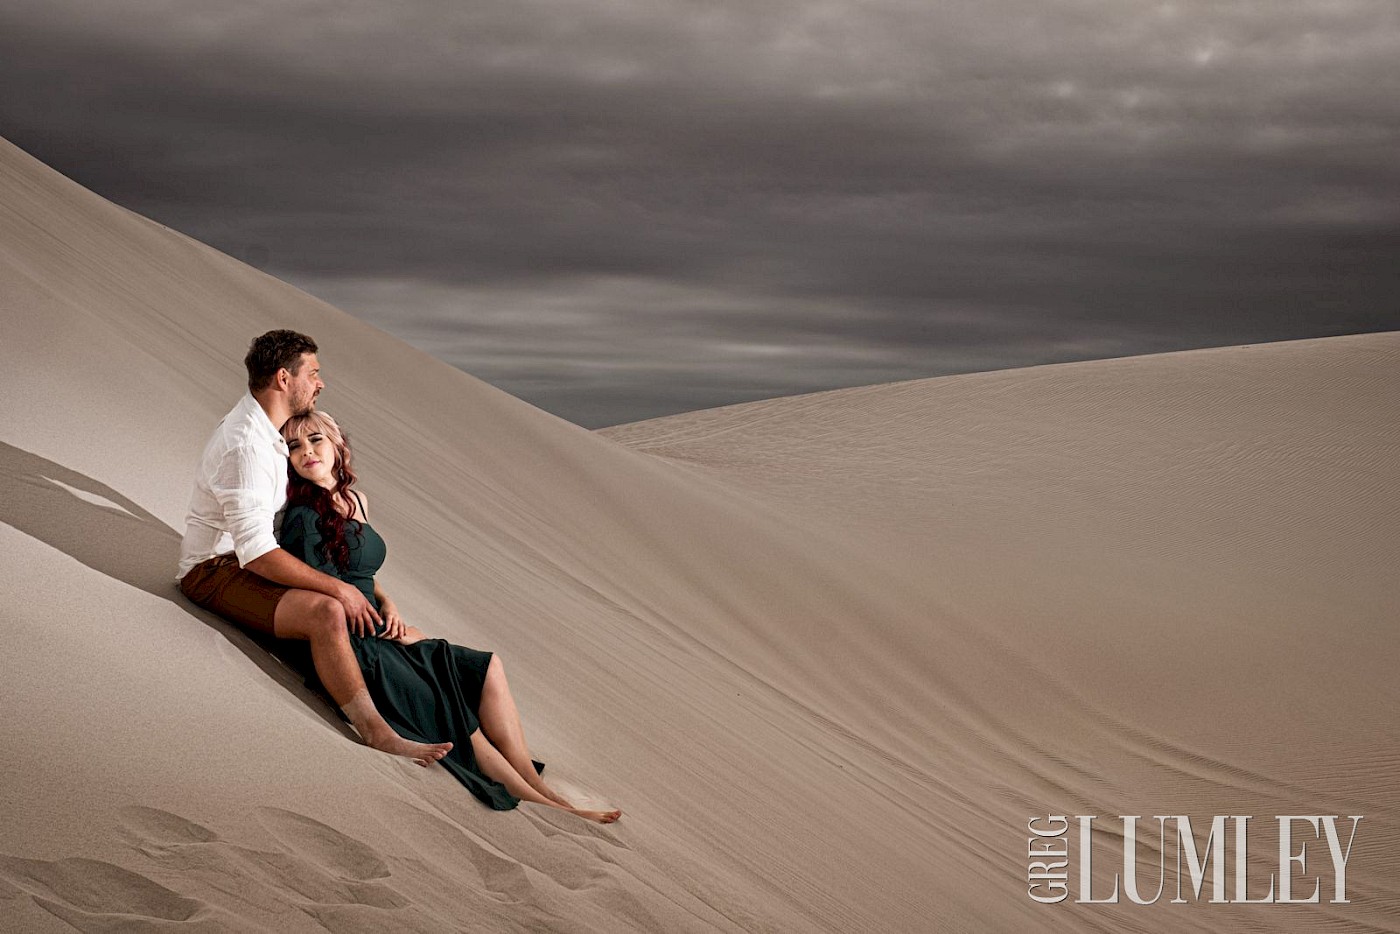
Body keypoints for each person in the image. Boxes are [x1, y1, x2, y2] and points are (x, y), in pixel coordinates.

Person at [279, 410, 622, 823]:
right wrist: (377, 622)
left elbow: (362, 573)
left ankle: (535, 781)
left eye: (315, 440)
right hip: (353, 641)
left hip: (379, 624)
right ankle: (542, 803)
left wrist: (389, 604)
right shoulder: (302, 515)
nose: (307, 452)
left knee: (487, 666)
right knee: (445, 698)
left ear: (338, 445)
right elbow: (320, 585)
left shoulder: (356, 500)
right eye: (294, 446)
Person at [178, 330, 452, 768]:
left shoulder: (271, 433)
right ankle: (378, 734)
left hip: (247, 560)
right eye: (314, 373)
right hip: (215, 571)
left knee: (363, 610)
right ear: (285, 379)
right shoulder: (246, 444)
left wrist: (378, 594)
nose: (320, 384)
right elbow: (256, 553)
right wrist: (340, 592)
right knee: (328, 611)